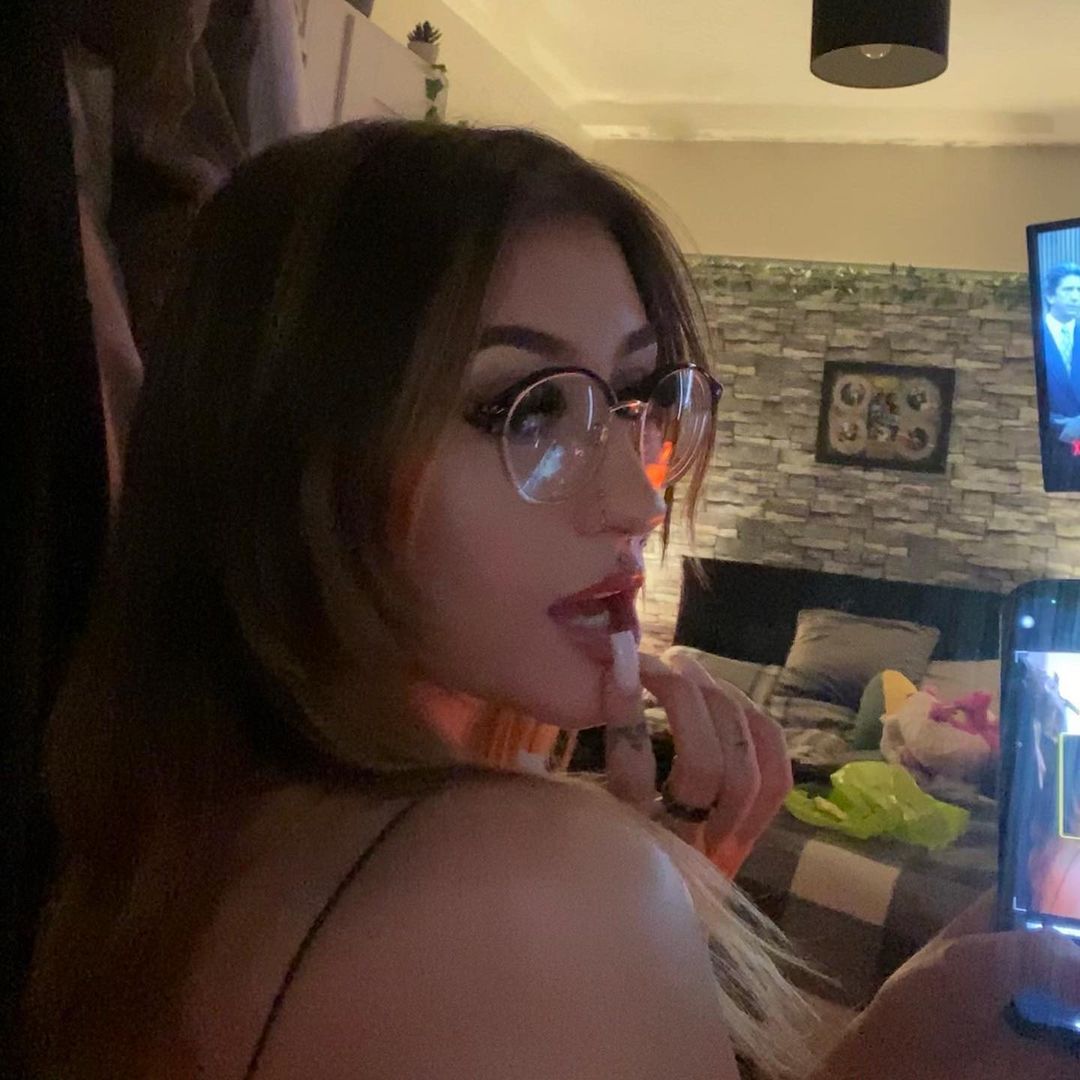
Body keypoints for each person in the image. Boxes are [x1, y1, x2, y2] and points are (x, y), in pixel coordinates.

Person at [21, 121, 1080, 1080]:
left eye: (638, 402)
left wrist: (675, 906)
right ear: (294, 448)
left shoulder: (173, 839)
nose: (638, 501)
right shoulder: (527, 885)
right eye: (526, 411)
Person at [1039, 262, 1080, 485]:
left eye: (1079, 290)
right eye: (1068, 290)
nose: (1075, 297)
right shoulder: (1035, 336)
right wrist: (1058, 426)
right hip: (1050, 451)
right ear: (1050, 296)